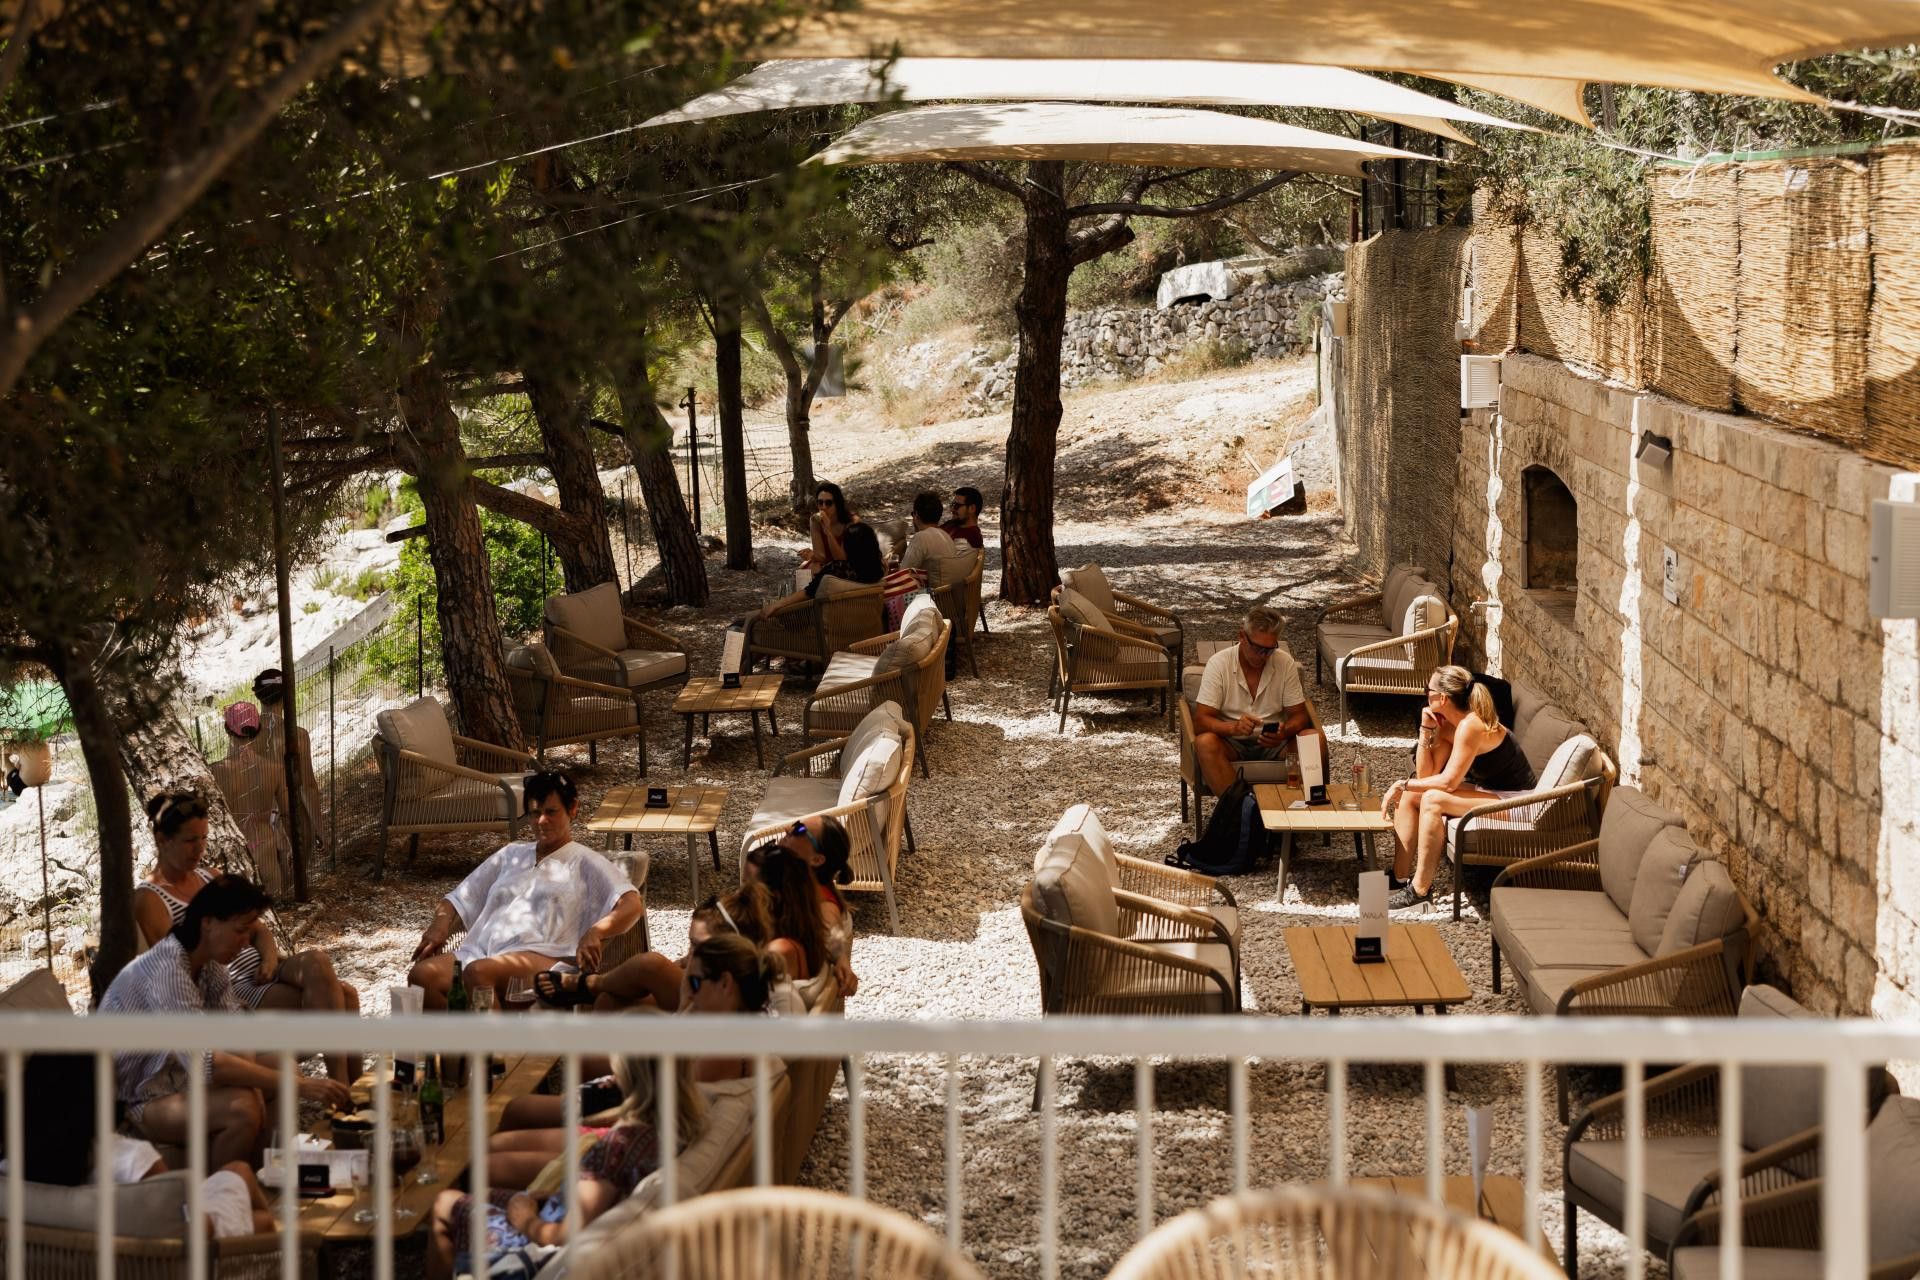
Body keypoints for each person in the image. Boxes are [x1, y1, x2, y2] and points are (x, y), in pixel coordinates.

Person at [100, 874, 352, 1168]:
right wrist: (303, 1086)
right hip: (138, 1100)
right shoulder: (168, 971)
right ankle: (223, 1190)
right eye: (240, 931)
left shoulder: (210, 964)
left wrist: (268, 1082)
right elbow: (206, 1063)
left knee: (286, 1068)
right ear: (208, 922)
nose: (246, 943)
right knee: (244, 1107)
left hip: (181, 1079)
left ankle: (267, 1173)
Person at [135, 792, 362, 1084]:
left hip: (262, 970)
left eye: (204, 838)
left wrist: (269, 960)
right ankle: (345, 1092)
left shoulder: (209, 877)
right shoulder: (150, 899)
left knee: (318, 960)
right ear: (163, 840)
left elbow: (258, 929)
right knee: (345, 998)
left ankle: (349, 1093)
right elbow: (176, 968)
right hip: (233, 988)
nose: (200, 848)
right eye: (190, 840)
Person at [426, 1055, 706, 1280]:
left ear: (630, 1075)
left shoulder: (619, 1145)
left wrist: (525, 1219)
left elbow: (565, 1236)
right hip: (566, 1214)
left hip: (541, 1248)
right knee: (483, 1194)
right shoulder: (679, 1125)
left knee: (444, 1203)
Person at [407, 771, 644, 1010]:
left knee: (479, 973)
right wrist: (440, 924)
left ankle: (490, 1035)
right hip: (479, 953)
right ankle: (461, 1034)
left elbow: (632, 903)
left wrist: (596, 932)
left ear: (572, 809)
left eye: (551, 812)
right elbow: (458, 897)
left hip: (542, 957)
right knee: (422, 976)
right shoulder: (511, 854)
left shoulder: (585, 861)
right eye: (535, 813)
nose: (542, 821)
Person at [3, 1053, 274, 1237]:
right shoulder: (130, 1159)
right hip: (165, 1260)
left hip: (83, 1259)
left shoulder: (11, 1166)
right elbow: (187, 1227)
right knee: (260, 1215)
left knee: (239, 1170)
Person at [1380, 665, 1538, 910]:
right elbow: (1426, 775)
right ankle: (1398, 879)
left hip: (1518, 802)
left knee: (1432, 800)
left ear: (1442, 698)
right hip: (1490, 792)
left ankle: (1420, 892)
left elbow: (1448, 782)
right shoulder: (1449, 726)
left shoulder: (1471, 725)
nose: (1425, 694)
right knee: (1412, 795)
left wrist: (1402, 783)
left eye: (1428, 690)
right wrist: (1425, 730)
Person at [529, 882, 776, 1013]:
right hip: (695, 1009)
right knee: (608, 1002)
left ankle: (590, 984)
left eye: (698, 946)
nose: (691, 952)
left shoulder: (734, 987)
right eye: (690, 943)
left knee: (651, 964)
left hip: (702, 1024)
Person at [1190, 605, 1318, 797]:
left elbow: (1300, 716)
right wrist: (1233, 728)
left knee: (1313, 738)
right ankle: (1240, 809)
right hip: (1231, 743)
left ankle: (1300, 808)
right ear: (1242, 636)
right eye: (1258, 648)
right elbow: (1201, 721)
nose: (1263, 656)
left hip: (1276, 744)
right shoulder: (1219, 663)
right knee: (1205, 742)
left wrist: (1284, 731)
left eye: (1270, 649)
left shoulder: (1284, 662)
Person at [748, 814, 859, 996]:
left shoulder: (818, 894)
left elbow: (832, 924)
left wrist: (841, 958)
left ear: (816, 859)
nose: (788, 828)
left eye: (799, 829)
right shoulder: (788, 887)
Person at [207, 702, 293, 897]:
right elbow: (287, 815)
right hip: (265, 852)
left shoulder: (214, 772)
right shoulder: (274, 770)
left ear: (227, 729)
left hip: (234, 855)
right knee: (272, 908)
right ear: (258, 730)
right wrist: (289, 847)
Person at [251, 668, 322, 862]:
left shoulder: (243, 739)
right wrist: (320, 829)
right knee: (296, 875)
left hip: (256, 822)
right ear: (287, 695)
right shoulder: (297, 735)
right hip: (290, 818)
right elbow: (307, 786)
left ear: (258, 695)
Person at [753, 521, 885, 622]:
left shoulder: (835, 569)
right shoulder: (878, 570)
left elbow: (807, 593)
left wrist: (776, 605)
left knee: (750, 619)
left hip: (820, 631)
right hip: (864, 629)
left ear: (849, 546)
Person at [897, 491, 959, 573]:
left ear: (916, 515)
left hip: (933, 582)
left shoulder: (921, 538)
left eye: (912, 514)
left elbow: (903, 573)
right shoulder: (945, 536)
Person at [804, 481, 856, 572]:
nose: (823, 507)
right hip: (827, 564)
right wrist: (812, 555)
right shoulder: (815, 520)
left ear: (837, 504)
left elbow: (841, 559)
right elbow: (821, 556)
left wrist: (828, 531)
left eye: (828, 503)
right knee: (805, 572)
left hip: (847, 566)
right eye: (820, 502)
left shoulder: (851, 522)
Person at [940, 486, 985, 550]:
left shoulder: (973, 536)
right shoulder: (951, 524)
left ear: (972, 508)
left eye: (957, 506)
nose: (952, 509)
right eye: (953, 505)